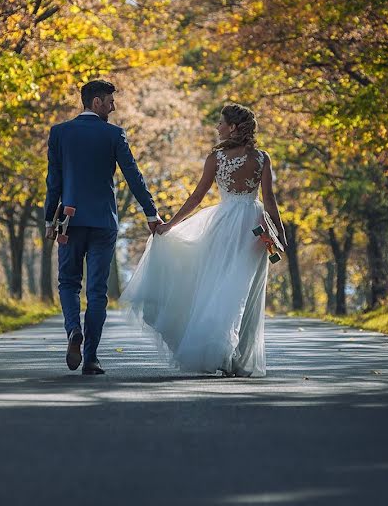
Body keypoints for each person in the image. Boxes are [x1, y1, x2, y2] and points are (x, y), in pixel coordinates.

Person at [121, 103, 285, 377]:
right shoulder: (261, 158)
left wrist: (171, 225)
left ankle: (221, 352)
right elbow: (269, 199)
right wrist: (278, 231)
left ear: (233, 127)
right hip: (254, 225)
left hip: (224, 223)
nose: (217, 127)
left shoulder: (216, 158)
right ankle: (238, 359)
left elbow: (197, 197)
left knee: (222, 286)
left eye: (221, 122)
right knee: (245, 290)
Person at [44, 80, 160, 375]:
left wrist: (49, 218)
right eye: (109, 101)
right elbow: (133, 175)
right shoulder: (113, 134)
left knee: (69, 283)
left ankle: (73, 330)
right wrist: (150, 212)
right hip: (103, 222)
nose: (113, 106)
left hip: (69, 220)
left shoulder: (59, 133)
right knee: (97, 291)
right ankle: (91, 356)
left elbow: (54, 180)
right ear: (96, 102)